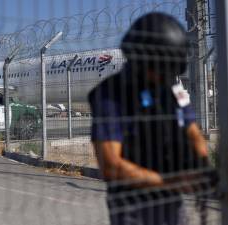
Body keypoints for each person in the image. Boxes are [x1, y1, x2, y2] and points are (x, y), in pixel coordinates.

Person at [89, 12, 211, 225]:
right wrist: (170, 182)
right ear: (141, 59)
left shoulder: (170, 87)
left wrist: (202, 164)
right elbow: (111, 165)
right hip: (133, 207)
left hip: (171, 202)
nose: (167, 76)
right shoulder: (110, 95)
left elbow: (192, 129)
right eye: (162, 68)